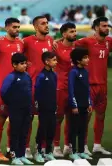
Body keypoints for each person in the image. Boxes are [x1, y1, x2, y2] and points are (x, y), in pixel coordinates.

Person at [75, 16, 111, 155]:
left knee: (101, 116)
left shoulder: (109, 41)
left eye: (107, 26)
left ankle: (97, 145)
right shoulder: (87, 41)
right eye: (103, 26)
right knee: (86, 117)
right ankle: (82, 146)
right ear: (96, 28)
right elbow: (69, 43)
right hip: (89, 85)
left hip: (103, 86)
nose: (106, 28)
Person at [23, 15, 53, 159]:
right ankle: (26, 147)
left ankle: (40, 148)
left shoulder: (51, 40)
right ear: (35, 27)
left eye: (47, 23)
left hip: (47, 88)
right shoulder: (27, 41)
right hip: (31, 86)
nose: (46, 25)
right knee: (27, 119)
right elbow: (16, 57)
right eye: (43, 24)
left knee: (45, 120)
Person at [0, 17, 24, 161]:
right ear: (6, 28)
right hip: (3, 89)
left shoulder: (21, 43)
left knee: (15, 122)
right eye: (14, 27)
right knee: (0, 120)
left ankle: (10, 149)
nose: (17, 30)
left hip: (18, 91)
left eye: (18, 27)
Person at [0, 53, 33, 165]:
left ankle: (21, 155)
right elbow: (3, 92)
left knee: (24, 132)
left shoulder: (27, 76)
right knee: (15, 133)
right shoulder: (11, 77)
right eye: (22, 64)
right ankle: (14, 156)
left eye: (25, 63)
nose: (24, 65)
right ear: (14, 65)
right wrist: (13, 103)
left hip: (27, 109)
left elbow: (29, 90)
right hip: (16, 109)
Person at [53, 22, 76, 157]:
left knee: (72, 118)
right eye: (71, 31)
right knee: (58, 118)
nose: (74, 33)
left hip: (74, 87)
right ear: (64, 34)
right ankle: (56, 146)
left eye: (74, 31)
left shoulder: (78, 46)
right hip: (60, 87)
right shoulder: (56, 47)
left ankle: (68, 146)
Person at [68, 48, 93, 160]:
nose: (88, 59)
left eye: (87, 57)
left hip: (84, 105)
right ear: (78, 61)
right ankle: (73, 151)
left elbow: (87, 89)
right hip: (76, 107)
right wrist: (74, 106)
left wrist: (89, 103)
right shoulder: (73, 72)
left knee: (83, 129)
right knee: (74, 129)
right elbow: (71, 89)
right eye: (85, 58)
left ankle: (81, 151)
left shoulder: (86, 71)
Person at [34, 52, 57, 162]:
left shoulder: (54, 75)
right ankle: (38, 152)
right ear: (47, 62)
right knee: (42, 130)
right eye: (54, 60)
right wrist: (38, 106)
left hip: (52, 107)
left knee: (51, 129)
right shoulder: (41, 76)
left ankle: (49, 152)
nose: (56, 62)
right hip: (43, 108)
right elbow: (37, 92)